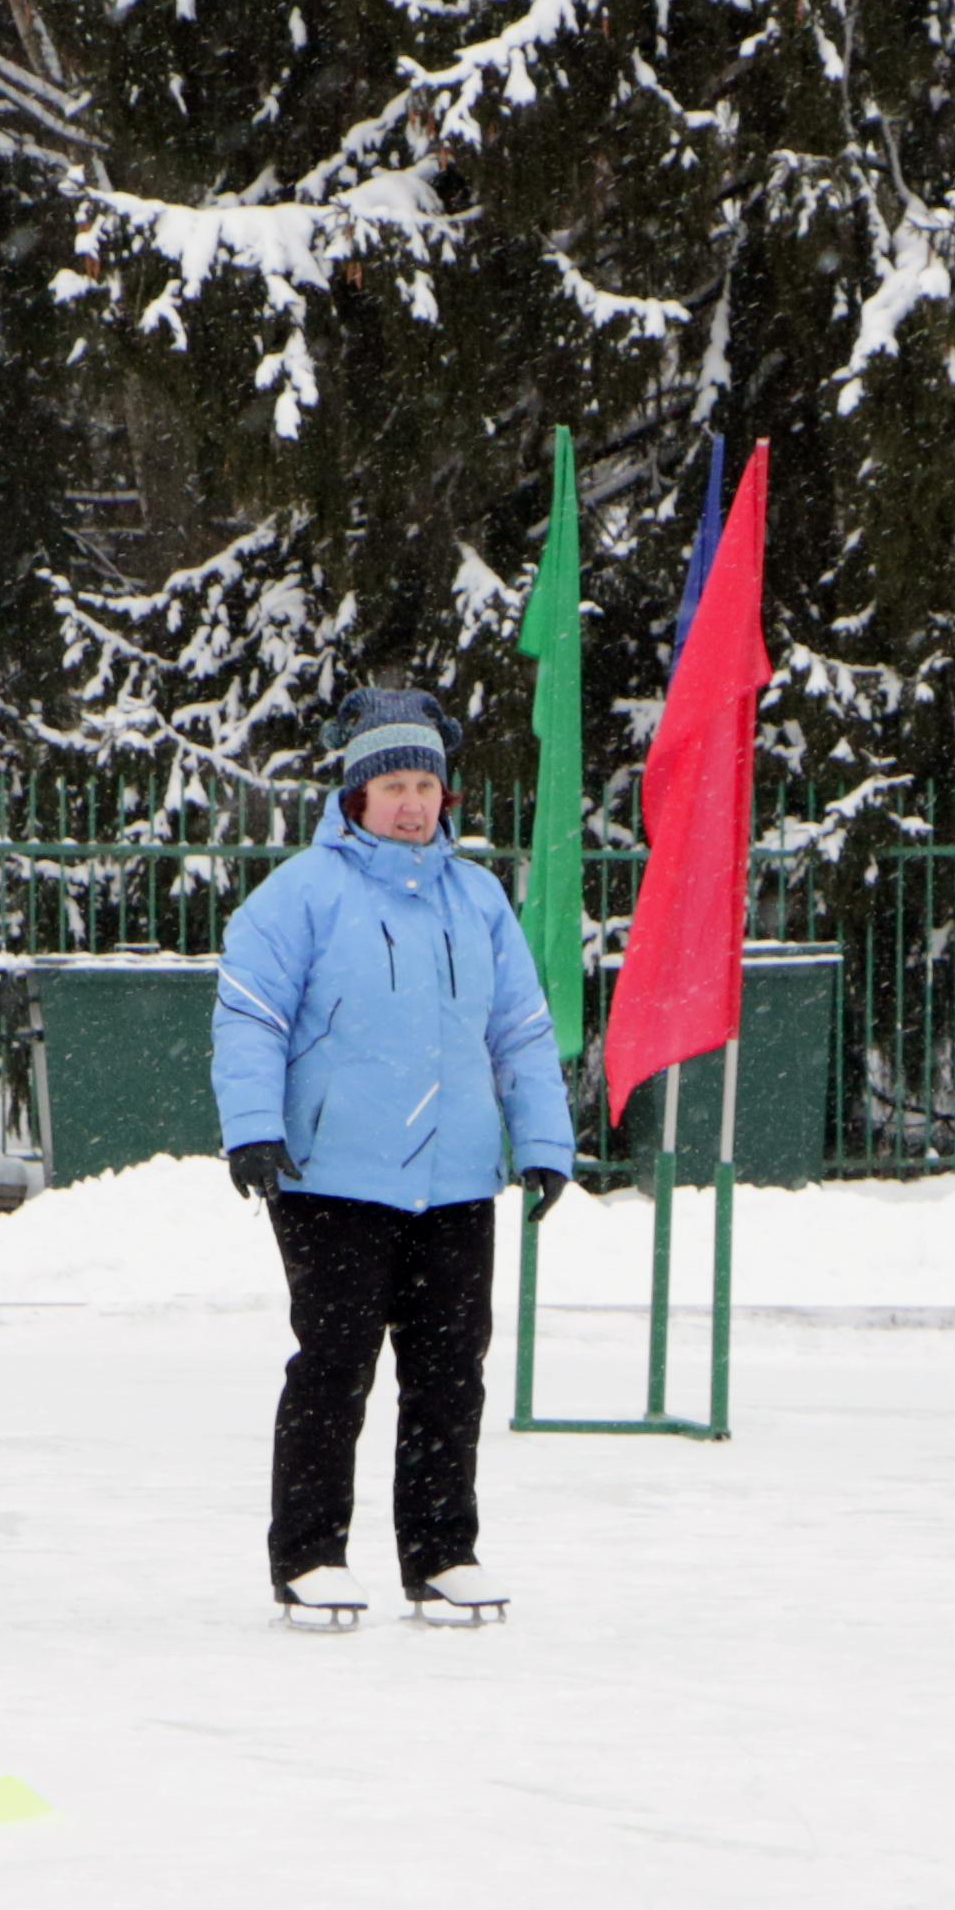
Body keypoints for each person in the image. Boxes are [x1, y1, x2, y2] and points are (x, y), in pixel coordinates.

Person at [210, 690, 577, 1627]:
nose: (412, 803)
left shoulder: (480, 896)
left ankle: (443, 1552)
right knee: (335, 1364)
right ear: (357, 795)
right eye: (393, 785)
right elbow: (251, 1013)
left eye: (426, 784)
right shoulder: (300, 892)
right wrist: (253, 1127)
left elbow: (522, 1030)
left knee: (452, 1369)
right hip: (332, 1172)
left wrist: (540, 1139)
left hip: (455, 1179)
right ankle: (309, 1555)